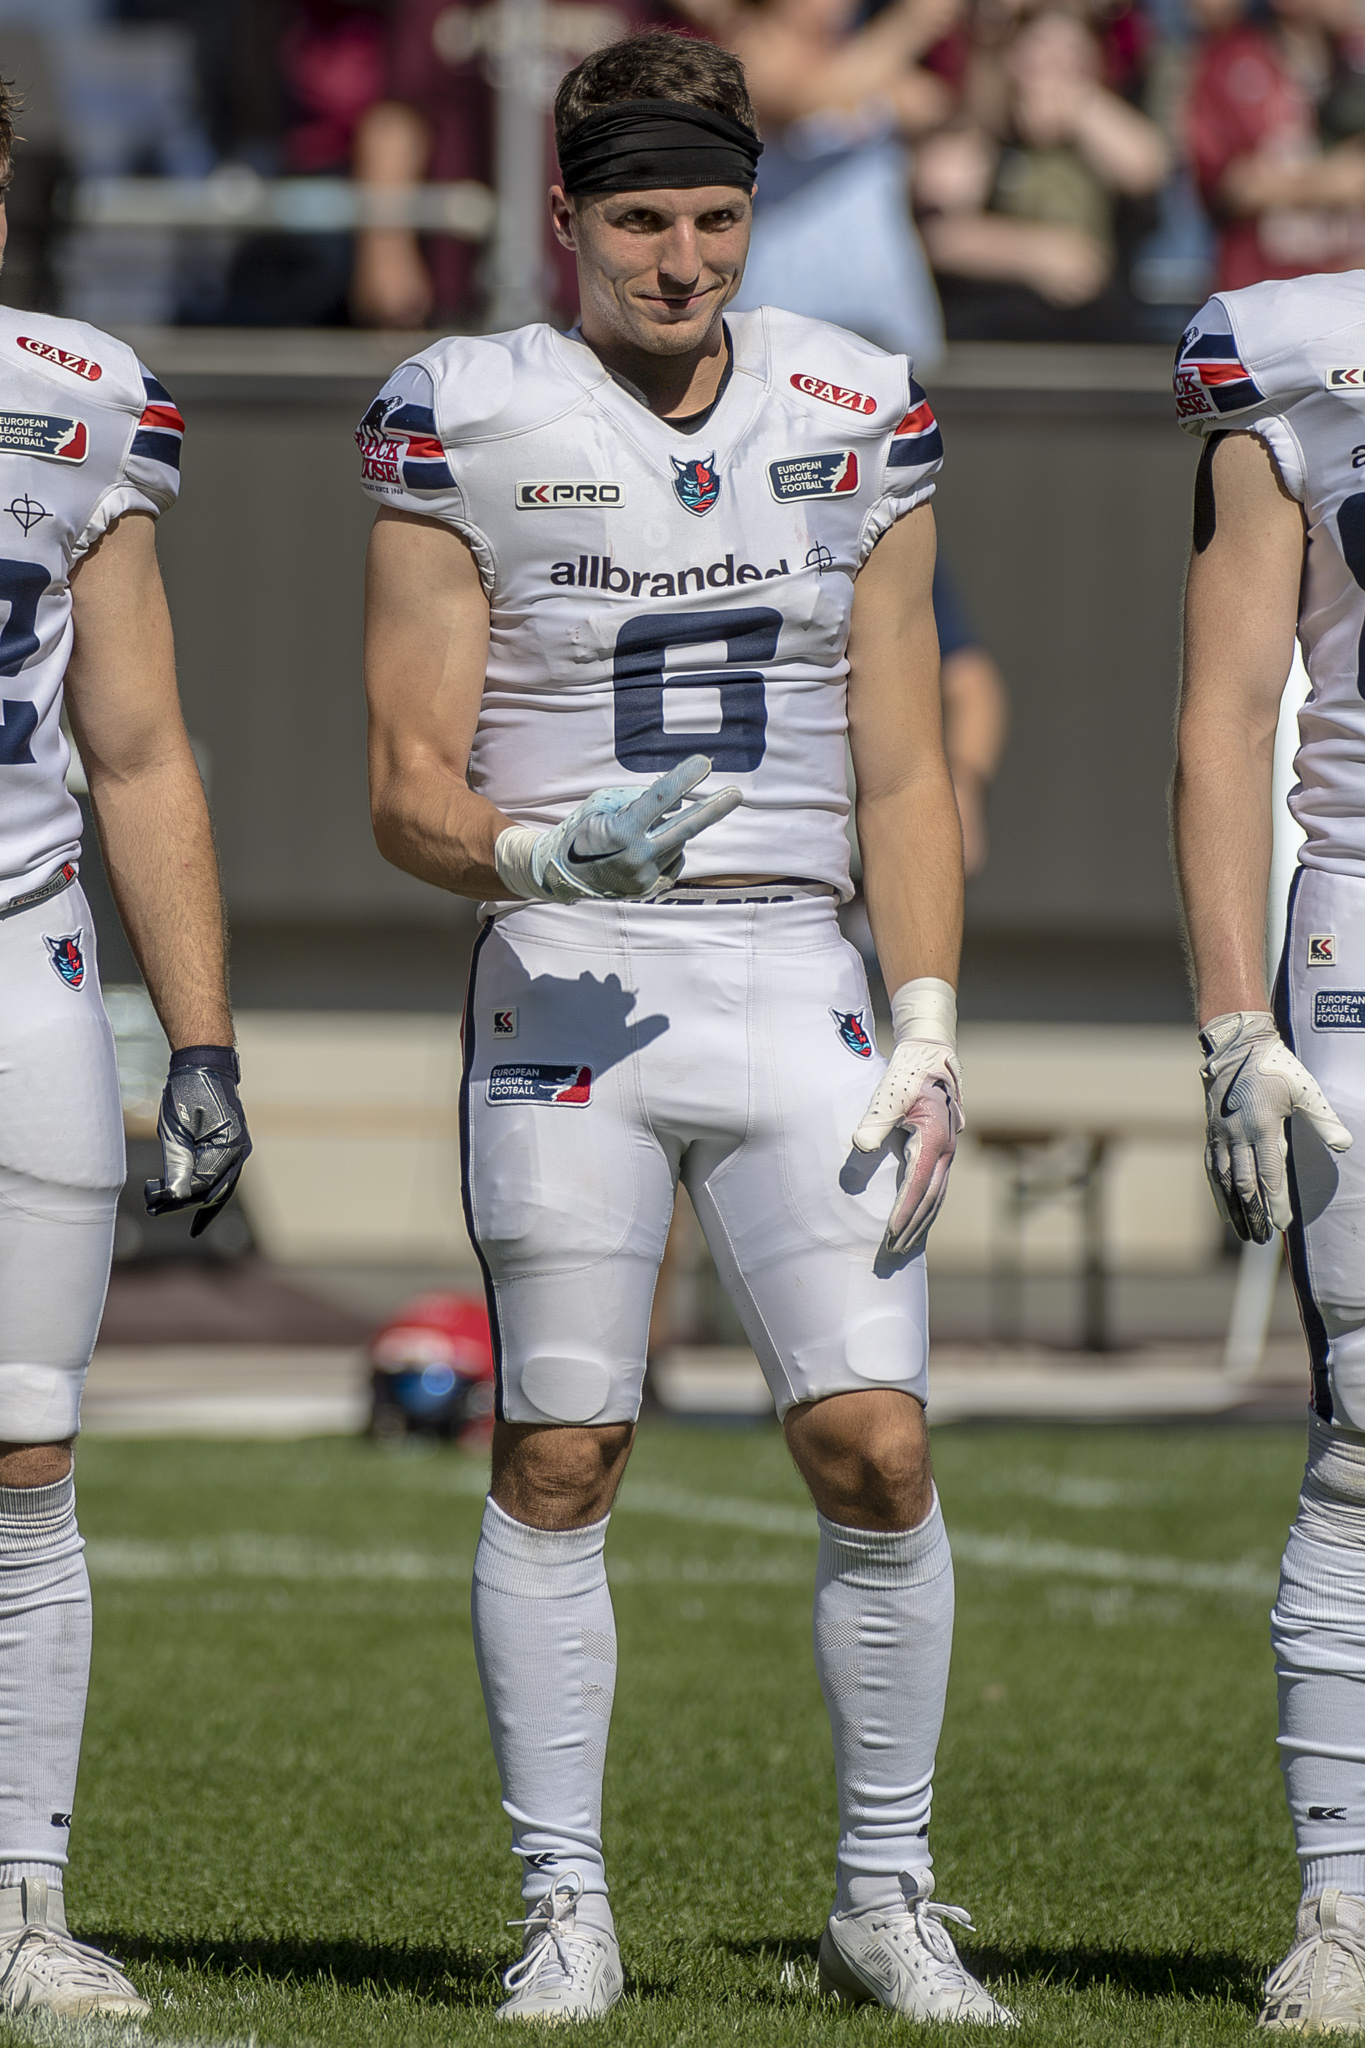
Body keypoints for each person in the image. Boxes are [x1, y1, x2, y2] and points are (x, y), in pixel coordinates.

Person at [360, 27, 1014, 2028]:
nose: (678, 259)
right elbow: (400, 780)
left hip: (794, 965)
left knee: (873, 1442)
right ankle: (566, 1901)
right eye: (637, 219)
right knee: (561, 1449)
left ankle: (884, 1897)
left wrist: (924, 1009)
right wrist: (542, 855)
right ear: (562, 218)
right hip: (572, 976)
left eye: (712, 218)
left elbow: (902, 764)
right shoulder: (466, 408)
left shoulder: (846, 393)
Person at [0, 85, 250, 2014]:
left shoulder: (76, 399)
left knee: (23, 1450)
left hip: (21, 961)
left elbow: (141, 745)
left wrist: (203, 1035)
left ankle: (18, 1892)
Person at [1173, 274, 1365, 2029]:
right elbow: (1232, 713)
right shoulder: (1301, 352)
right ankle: (1346, 1905)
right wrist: (1237, 1017)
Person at [1187, 0, 1365, 292]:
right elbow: (1231, 185)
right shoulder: (1232, 61)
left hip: (1345, 295)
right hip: (1263, 294)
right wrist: (1331, 181)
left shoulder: (1352, 59)